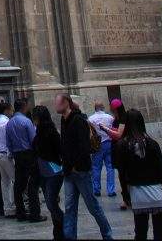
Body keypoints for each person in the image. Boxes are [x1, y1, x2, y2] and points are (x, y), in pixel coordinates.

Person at [56, 93, 113, 241]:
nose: (55, 106)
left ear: (66, 103)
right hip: (69, 172)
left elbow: (84, 147)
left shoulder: (78, 121)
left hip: (80, 171)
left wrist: (75, 165)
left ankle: (107, 234)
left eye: (58, 103)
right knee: (69, 208)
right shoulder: (64, 120)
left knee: (93, 206)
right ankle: (69, 236)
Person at [113, 108, 162, 241]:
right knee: (160, 233)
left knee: (140, 232)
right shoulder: (152, 144)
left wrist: (125, 194)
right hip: (157, 194)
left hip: (138, 194)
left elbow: (122, 174)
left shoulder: (122, 146)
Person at [6, 96, 45, 223]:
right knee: (33, 184)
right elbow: (33, 140)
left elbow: (9, 142)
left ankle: (20, 213)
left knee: (19, 184)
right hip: (29, 153)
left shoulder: (9, 122)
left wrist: (13, 152)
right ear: (23, 107)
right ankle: (35, 213)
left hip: (17, 155)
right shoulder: (26, 121)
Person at [32, 104, 64, 241]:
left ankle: (63, 227)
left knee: (51, 202)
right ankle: (58, 232)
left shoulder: (51, 132)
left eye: (36, 117)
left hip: (53, 171)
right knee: (51, 202)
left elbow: (59, 150)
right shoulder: (38, 131)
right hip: (43, 171)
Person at [0, 100, 17, 218]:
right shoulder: (7, 122)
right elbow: (11, 139)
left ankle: (8, 208)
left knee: (5, 181)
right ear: (6, 110)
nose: (12, 112)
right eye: (11, 109)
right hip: (6, 154)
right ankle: (16, 206)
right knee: (15, 179)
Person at [89, 102, 117, 198]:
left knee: (96, 167)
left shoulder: (91, 119)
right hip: (109, 143)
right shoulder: (110, 117)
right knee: (110, 167)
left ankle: (96, 189)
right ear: (103, 107)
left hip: (97, 145)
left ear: (95, 108)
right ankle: (111, 190)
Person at [107, 98, 128, 208]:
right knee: (121, 175)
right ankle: (126, 198)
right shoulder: (116, 118)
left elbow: (119, 134)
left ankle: (128, 198)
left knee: (126, 174)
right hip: (117, 149)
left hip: (123, 149)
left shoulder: (123, 118)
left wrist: (107, 130)